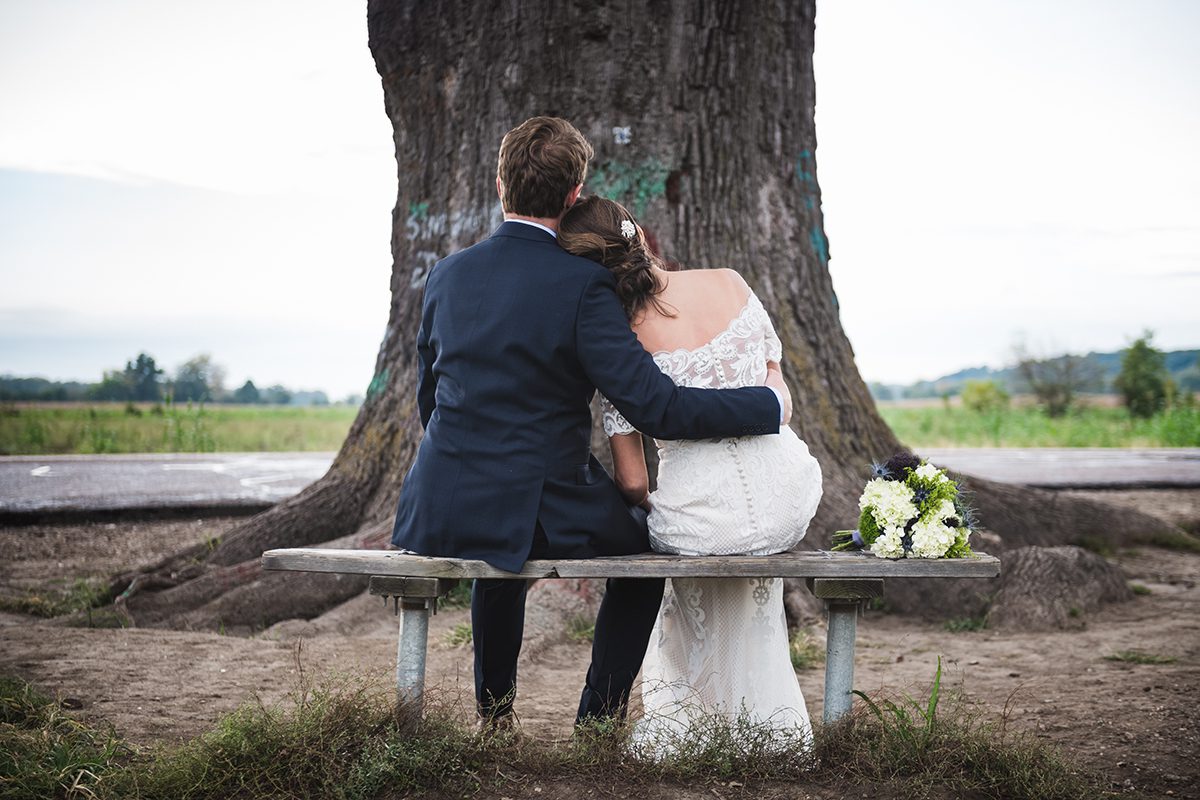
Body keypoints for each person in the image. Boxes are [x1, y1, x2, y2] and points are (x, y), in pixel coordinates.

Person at [390, 116, 793, 729]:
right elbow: (657, 407)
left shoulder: (447, 273)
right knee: (642, 555)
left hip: (439, 500)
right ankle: (597, 721)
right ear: (575, 193)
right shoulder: (583, 284)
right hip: (544, 499)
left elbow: (429, 397)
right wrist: (768, 405)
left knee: (499, 549)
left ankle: (494, 718)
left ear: (501, 183)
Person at [558, 196, 824, 749]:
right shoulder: (730, 281)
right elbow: (780, 392)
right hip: (788, 496)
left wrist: (657, 501)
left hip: (707, 519)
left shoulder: (621, 340)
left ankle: (677, 717)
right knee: (730, 538)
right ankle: (766, 723)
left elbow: (633, 481)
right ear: (639, 235)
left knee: (659, 539)